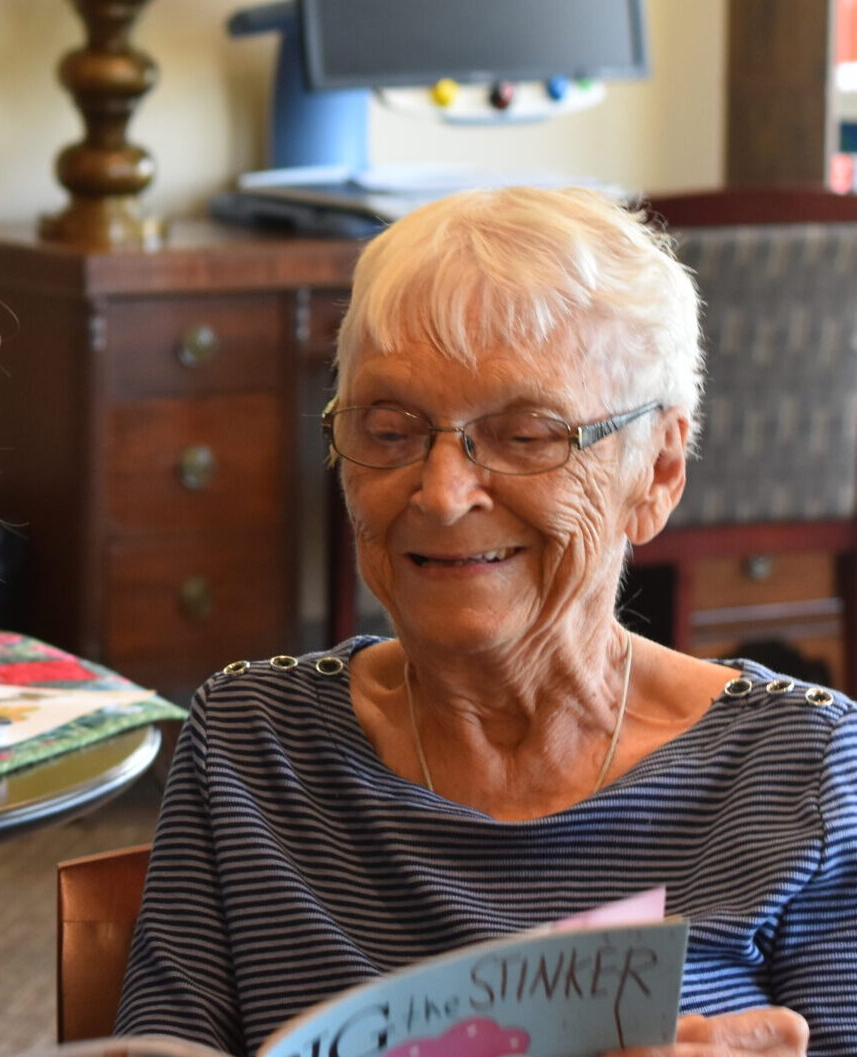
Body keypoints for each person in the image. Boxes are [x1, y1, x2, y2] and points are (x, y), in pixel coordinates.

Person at [116, 187, 857, 1056]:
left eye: (525, 434)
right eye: (389, 430)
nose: (439, 491)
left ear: (655, 471)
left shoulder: (800, 769)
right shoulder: (254, 743)